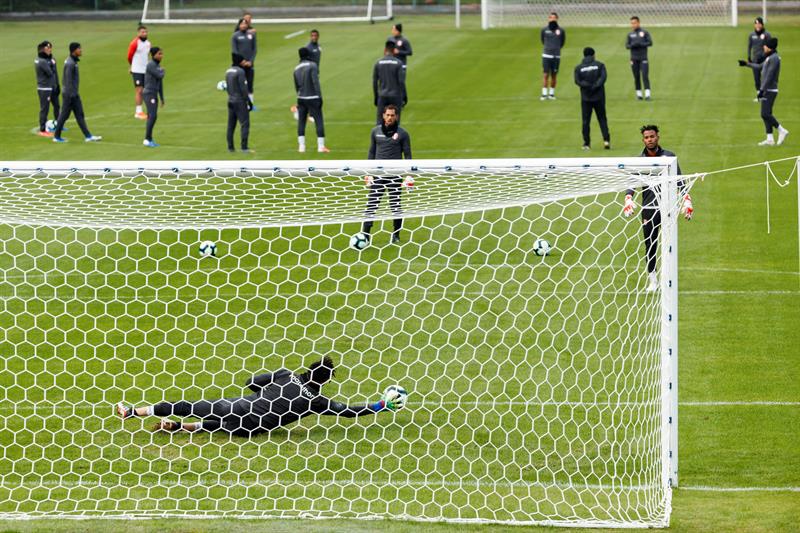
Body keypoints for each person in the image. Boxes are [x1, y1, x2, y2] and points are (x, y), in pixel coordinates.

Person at [116, 357, 405, 435]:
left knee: (190, 405)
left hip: (238, 408)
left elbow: (250, 381)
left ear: (308, 369)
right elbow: (348, 412)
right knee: (229, 424)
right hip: (251, 430)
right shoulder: (316, 402)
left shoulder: (285, 374)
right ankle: (182, 428)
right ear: (326, 382)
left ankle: (133, 412)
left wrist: (266, 391)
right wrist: (382, 405)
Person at [623, 125, 693, 291]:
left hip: (668, 207)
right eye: (647, 137)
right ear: (643, 140)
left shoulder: (669, 156)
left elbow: (679, 180)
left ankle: (668, 278)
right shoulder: (639, 161)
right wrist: (628, 198)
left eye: (652, 136)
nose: (650, 140)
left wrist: (687, 201)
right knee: (650, 244)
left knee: (669, 244)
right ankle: (653, 280)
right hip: (649, 208)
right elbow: (632, 182)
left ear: (658, 137)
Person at [362, 105, 412, 244]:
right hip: (378, 176)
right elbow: (371, 153)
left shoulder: (403, 134)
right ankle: (365, 235)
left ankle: (396, 235)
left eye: (392, 115)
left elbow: (408, 156)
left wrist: (408, 175)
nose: (390, 117)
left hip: (395, 176)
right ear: (383, 115)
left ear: (396, 116)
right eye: (388, 115)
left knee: (395, 206)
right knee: (372, 205)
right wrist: (368, 172)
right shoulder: (375, 132)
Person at [740, 37, 788, 146]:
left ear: (769, 47)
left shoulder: (774, 58)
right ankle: (770, 139)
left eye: (765, 46)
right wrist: (746, 64)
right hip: (767, 89)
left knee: (765, 113)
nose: (763, 47)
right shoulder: (770, 57)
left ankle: (782, 130)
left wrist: (762, 90)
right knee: (766, 114)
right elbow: (759, 67)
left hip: (770, 90)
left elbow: (770, 76)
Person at [52, 42, 101, 143]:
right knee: (64, 116)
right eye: (79, 49)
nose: (81, 50)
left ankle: (88, 136)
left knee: (79, 115)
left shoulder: (72, 61)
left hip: (73, 94)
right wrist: (71, 95)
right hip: (70, 95)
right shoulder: (70, 63)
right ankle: (56, 137)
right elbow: (68, 80)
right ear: (74, 50)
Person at [573, 47, 610, 150]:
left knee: (586, 121)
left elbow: (577, 81)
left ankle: (586, 143)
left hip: (586, 98)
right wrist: (595, 86)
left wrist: (587, 86)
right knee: (602, 119)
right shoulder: (600, 65)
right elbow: (603, 78)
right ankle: (606, 140)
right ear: (593, 55)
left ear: (584, 55)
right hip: (599, 97)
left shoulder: (579, 68)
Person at [294, 47, 329, 153]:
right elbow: (315, 82)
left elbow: (296, 86)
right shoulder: (312, 66)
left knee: (301, 121)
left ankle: (301, 146)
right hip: (313, 97)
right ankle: (320, 146)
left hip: (301, 98)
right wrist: (319, 96)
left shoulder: (296, 68)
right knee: (318, 120)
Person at [373, 40, 407, 125]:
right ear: (394, 51)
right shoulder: (398, 63)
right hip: (395, 96)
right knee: (395, 122)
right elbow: (401, 82)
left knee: (380, 122)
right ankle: (394, 138)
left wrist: (376, 97)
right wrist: (404, 96)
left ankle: (380, 138)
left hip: (383, 96)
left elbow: (374, 82)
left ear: (385, 50)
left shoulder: (378, 63)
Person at [225, 54, 252, 153]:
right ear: (240, 62)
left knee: (231, 125)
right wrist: (249, 101)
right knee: (245, 124)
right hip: (239, 101)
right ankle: (244, 147)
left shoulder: (228, 71)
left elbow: (227, 87)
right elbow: (243, 89)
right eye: (243, 61)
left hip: (230, 100)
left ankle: (230, 147)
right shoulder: (240, 72)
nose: (245, 62)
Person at [34, 41, 60, 137]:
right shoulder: (43, 61)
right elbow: (50, 73)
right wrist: (52, 64)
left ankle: (47, 127)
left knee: (49, 107)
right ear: (43, 50)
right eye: (47, 49)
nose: (49, 50)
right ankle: (42, 130)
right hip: (45, 88)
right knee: (44, 109)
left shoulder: (40, 59)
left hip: (46, 87)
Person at [127, 25, 151, 120]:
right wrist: (132, 66)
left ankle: (147, 109)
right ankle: (138, 112)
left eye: (145, 32)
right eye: (142, 32)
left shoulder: (148, 44)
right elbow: (129, 56)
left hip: (145, 70)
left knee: (146, 90)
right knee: (139, 90)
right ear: (138, 33)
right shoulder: (134, 43)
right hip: (137, 70)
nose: (144, 34)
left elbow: (146, 56)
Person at [231, 17, 257, 108]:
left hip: (249, 65)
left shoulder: (251, 35)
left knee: (250, 84)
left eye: (245, 24)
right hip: (239, 65)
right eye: (242, 24)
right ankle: (240, 103)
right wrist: (242, 61)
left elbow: (254, 49)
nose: (243, 25)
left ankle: (251, 104)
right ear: (239, 25)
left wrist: (250, 61)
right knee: (239, 84)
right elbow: (235, 51)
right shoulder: (235, 36)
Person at [142, 47, 165, 148]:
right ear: (154, 55)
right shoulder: (151, 65)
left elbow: (160, 83)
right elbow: (160, 75)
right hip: (149, 93)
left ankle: (149, 138)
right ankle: (147, 139)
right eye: (159, 54)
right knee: (152, 116)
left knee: (152, 116)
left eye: (162, 54)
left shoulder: (157, 66)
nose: (161, 56)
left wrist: (162, 98)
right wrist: (162, 71)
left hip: (153, 93)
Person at [745, 17, 771, 102]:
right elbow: (749, 47)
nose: (757, 25)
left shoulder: (767, 35)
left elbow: (770, 47)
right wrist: (749, 57)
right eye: (756, 24)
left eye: (759, 24)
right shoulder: (751, 35)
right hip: (755, 61)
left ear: (762, 24)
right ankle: (759, 96)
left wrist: (764, 56)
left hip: (765, 60)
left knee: (765, 78)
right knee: (756, 79)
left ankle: (766, 95)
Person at [540, 12, 565, 101]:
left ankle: (551, 94)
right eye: (550, 17)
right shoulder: (544, 30)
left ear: (557, 18)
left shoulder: (561, 30)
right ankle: (544, 94)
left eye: (554, 17)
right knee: (545, 74)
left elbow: (562, 42)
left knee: (554, 75)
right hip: (546, 55)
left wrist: (556, 50)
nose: (552, 19)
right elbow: (542, 40)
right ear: (548, 19)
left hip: (556, 56)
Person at [626, 16, 652, 100]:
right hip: (634, 58)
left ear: (638, 23)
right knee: (636, 76)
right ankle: (639, 94)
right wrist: (632, 45)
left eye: (634, 23)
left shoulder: (644, 32)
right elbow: (627, 45)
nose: (633, 25)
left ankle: (647, 94)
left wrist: (641, 44)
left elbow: (650, 43)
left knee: (644, 75)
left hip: (643, 58)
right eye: (631, 23)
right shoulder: (630, 34)